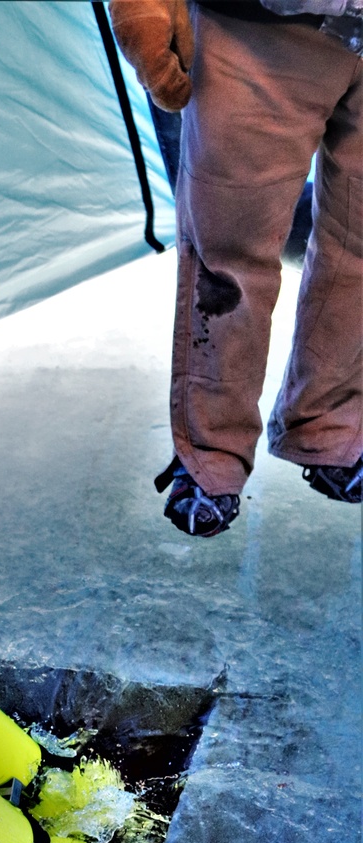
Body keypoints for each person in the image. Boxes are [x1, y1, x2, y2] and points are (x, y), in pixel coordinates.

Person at [110, 0, 362, 536]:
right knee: (230, 255)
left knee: (360, 250)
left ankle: (332, 427)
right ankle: (211, 454)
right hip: (255, 27)